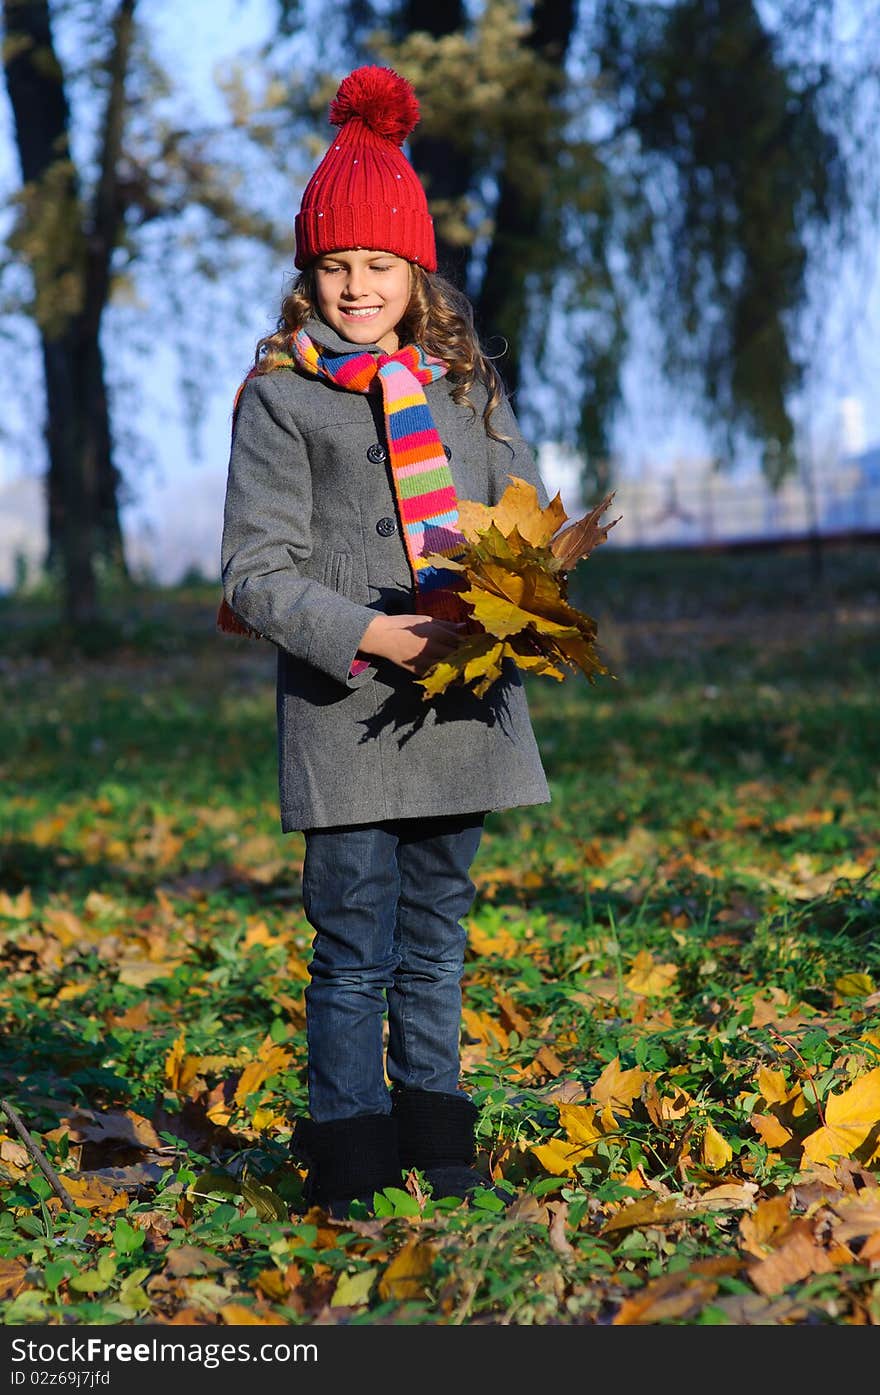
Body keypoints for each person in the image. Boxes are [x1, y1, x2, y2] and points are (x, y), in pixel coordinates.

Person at [219, 64, 551, 1218]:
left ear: (416, 273)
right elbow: (253, 573)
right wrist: (369, 631)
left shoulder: (463, 386)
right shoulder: (280, 399)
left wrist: (527, 586)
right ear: (307, 275)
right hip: (346, 713)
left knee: (440, 942)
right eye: (335, 265)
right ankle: (352, 1159)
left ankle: (441, 1145)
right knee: (352, 943)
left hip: (465, 709)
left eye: (378, 265)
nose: (356, 288)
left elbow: (525, 518)